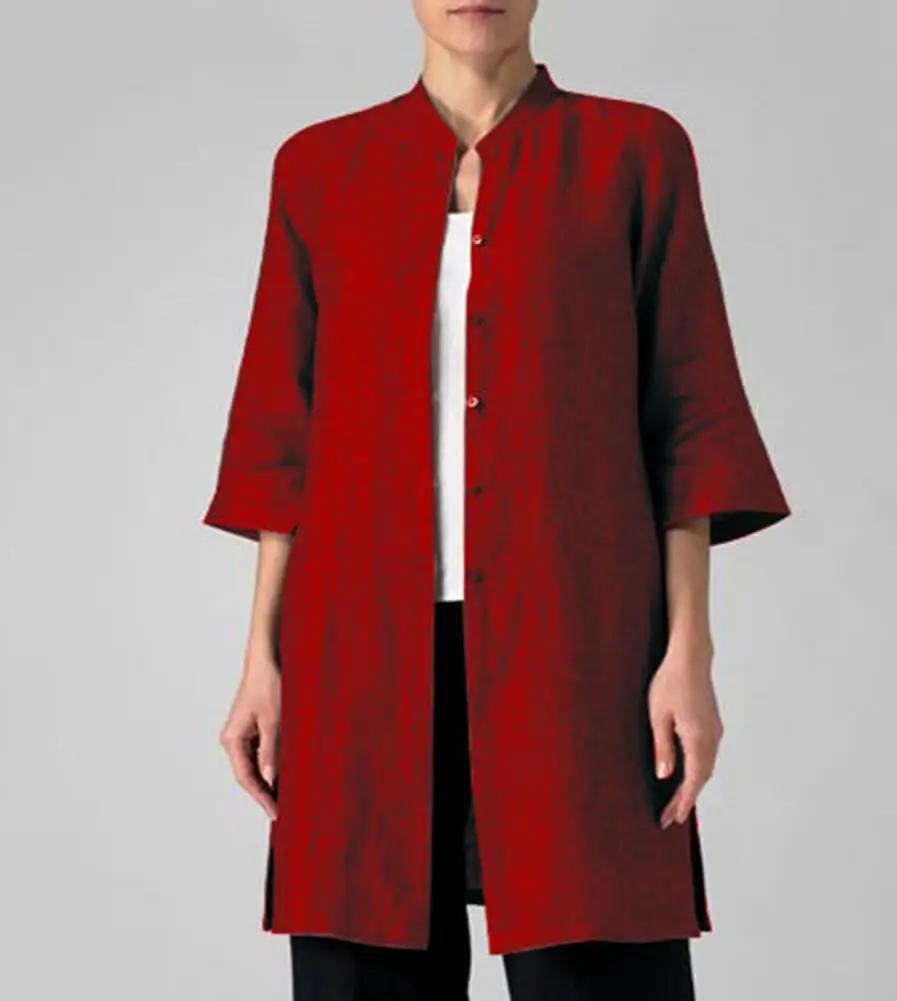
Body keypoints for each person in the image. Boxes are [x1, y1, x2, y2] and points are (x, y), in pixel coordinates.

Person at [202, 2, 791, 998]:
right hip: (358, 656)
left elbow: (687, 415)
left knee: (597, 952)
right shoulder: (319, 168)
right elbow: (280, 436)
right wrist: (261, 658)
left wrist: (687, 651)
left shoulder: (634, 153)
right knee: (359, 955)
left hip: (581, 647)